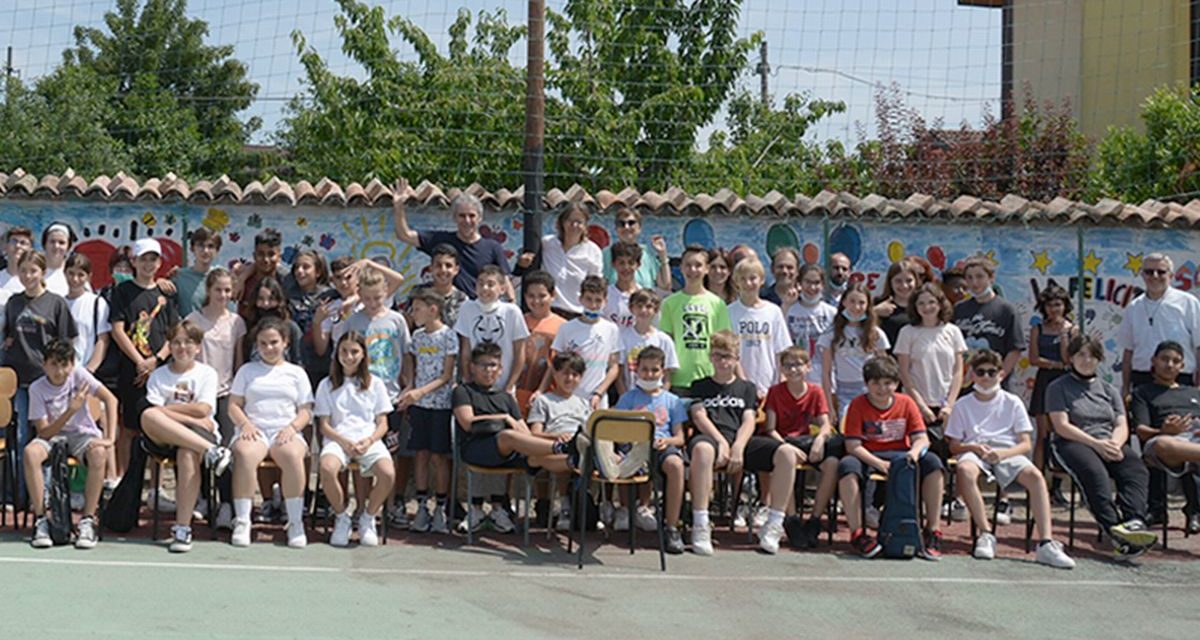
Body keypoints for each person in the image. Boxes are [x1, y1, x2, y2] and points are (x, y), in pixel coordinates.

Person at [945, 349, 1076, 568]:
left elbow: (1025, 443)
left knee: (1035, 476)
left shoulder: (1013, 402)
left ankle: (1045, 543)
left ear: (1001, 374)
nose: (986, 377)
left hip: (1007, 451)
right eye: (980, 372)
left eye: (991, 372)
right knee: (965, 470)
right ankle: (986, 534)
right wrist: (974, 447)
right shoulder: (962, 405)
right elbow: (954, 445)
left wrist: (1003, 454)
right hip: (975, 451)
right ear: (973, 375)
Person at [687, 332, 804, 554]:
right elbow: (699, 417)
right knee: (702, 449)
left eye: (728, 356)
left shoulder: (747, 387)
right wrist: (721, 442)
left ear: (736, 358)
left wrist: (738, 447)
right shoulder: (699, 385)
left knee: (787, 453)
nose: (723, 362)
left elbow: (749, 419)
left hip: (741, 440)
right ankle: (700, 525)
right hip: (711, 439)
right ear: (711, 357)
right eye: (718, 356)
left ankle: (774, 524)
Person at [1047, 335, 1158, 559]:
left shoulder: (1109, 389)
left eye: (1092, 355)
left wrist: (1115, 444)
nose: (1087, 360)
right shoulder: (1058, 387)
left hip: (1108, 441)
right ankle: (1114, 530)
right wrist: (1096, 445)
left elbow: (1121, 423)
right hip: (1073, 443)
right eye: (1081, 355)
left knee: (1135, 467)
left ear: (1099, 359)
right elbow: (1061, 425)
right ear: (1071, 358)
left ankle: (1134, 522)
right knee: (1093, 472)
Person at [452, 343, 578, 532]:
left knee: (536, 456)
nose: (488, 370)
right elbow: (467, 423)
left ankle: (577, 458)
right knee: (507, 436)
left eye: (493, 365)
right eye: (483, 365)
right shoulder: (463, 392)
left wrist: (555, 438)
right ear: (472, 367)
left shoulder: (506, 398)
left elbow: (526, 435)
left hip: (508, 452)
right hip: (475, 449)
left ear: (500, 369)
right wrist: (504, 418)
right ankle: (566, 449)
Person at [1116, 252, 1200, 526]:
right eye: (1149, 272)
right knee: (1149, 448)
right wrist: (1126, 387)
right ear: (1142, 275)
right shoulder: (1134, 307)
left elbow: (1198, 346)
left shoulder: (1188, 303)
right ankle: (1156, 508)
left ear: (1171, 275)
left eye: (1160, 272)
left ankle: (1194, 510)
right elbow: (1128, 351)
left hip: (1182, 380)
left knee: (1187, 438)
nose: (1154, 277)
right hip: (1144, 380)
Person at [838, 355, 945, 559]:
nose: (882, 388)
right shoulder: (858, 404)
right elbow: (852, 445)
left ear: (896, 384)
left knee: (933, 463)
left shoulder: (907, 403)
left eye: (888, 383)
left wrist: (912, 454)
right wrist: (879, 463)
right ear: (867, 384)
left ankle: (933, 530)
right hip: (869, 455)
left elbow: (922, 439)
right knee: (846, 467)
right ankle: (858, 533)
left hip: (901, 455)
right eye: (876, 383)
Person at [139, 321, 230, 553]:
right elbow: (155, 414)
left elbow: (204, 410)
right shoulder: (158, 376)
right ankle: (212, 452)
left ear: (198, 347)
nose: (182, 347)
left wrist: (168, 413)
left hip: (196, 435)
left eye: (188, 342)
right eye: (177, 342)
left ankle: (182, 529)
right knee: (148, 416)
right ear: (169, 346)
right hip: (164, 435)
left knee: (187, 453)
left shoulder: (207, 373)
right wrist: (189, 418)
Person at [331, 267, 413, 527]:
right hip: (362, 395)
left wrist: (408, 384)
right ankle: (362, 505)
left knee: (390, 454)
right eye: (367, 298)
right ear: (360, 295)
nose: (373, 303)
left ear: (386, 293)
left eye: (377, 297)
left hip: (391, 395)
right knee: (362, 453)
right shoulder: (354, 321)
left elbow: (406, 355)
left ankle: (387, 507)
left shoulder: (396, 320)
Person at [229, 317, 315, 548]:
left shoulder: (297, 373)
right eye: (263, 343)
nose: (269, 348)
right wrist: (245, 424)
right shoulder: (247, 371)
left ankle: (295, 523)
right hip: (253, 429)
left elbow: (306, 410)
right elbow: (234, 405)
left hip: (285, 430)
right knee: (245, 455)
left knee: (292, 455)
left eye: (274, 342)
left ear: (285, 342)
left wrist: (292, 427)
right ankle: (243, 520)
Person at [24, 339, 117, 549]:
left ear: (72, 364)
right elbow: (44, 431)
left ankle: (87, 521)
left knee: (99, 454)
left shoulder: (80, 376)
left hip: (81, 435)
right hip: (52, 436)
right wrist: (71, 410)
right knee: (30, 453)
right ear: (44, 364)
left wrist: (110, 438)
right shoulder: (36, 388)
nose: (60, 371)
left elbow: (111, 400)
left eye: (64, 364)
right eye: (54, 364)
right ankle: (41, 520)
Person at [6, 250, 79, 504]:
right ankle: (22, 496)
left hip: (48, 383)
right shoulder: (13, 303)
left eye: (33, 270)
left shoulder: (55, 303)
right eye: (23, 270)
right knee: (21, 437)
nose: (28, 275)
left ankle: (46, 494)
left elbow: (66, 343)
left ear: (43, 272)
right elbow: (8, 337)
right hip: (21, 383)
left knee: (46, 437)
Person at [315, 332, 396, 547]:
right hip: (338, 441)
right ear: (337, 353)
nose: (349, 356)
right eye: (344, 351)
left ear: (363, 355)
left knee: (387, 473)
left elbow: (383, 424)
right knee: (327, 468)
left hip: (368, 441)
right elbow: (324, 425)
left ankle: (367, 518)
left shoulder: (375, 383)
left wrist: (368, 441)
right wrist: (343, 442)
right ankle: (342, 517)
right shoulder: (326, 384)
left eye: (354, 352)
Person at [763, 346, 843, 548]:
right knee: (785, 459)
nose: (793, 370)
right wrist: (785, 446)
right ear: (781, 369)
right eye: (788, 365)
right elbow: (771, 428)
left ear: (807, 367)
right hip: (786, 443)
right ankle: (791, 520)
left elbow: (825, 424)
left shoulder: (815, 391)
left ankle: (815, 519)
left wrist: (819, 440)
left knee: (833, 463)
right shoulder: (775, 392)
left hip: (809, 442)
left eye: (798, 365)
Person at [185, 267, 246, 529]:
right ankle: (200, 499)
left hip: (225, 393)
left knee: (227, 451)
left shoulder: (236, 322)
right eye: (218, 289)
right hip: (198, 395)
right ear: (208, 290)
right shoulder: (193, 320)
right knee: (195, 447)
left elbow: (239, 359)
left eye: (227, 290)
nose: (223, 295)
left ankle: (226, 505)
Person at [615, 346, 689, 554]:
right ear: (636, 371)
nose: (649, 374)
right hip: (634, 447)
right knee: (624, 458)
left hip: (661, 446)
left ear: (662, 371)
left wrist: (667, 441)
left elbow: (680, 437)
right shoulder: (628, 399)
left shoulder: (672, 401)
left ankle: (672, 527)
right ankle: (627, 509)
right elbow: (618, 432)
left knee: (676, 464)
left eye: (654, 370)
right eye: (645, 370)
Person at [393, 181, 514, 300]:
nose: (467, 220)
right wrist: (398, 207)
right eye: (462, 216)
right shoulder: (441, 241)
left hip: (479, 311)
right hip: (446, 309)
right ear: (454, 218)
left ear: (480, 218)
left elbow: (505, 280)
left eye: (471, 216)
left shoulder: (493, 247)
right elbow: (404, 235)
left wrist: (512, 305)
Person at [400, 288, 458, 534]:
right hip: (419, 406)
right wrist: (411, 388)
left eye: (417, 309)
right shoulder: (417, 336)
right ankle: (422, 505)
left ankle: (441, 508)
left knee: (438, 456)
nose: (414, 314)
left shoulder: (449, 336)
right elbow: (412, 364)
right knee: (421, 455)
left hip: (441, 406)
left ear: (433, 309)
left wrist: (421, 392)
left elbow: (446, 376)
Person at [1131, 341, 1200, 535]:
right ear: (1153, 361)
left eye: (1176, 361)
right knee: (1164, 444)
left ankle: (1195, 512)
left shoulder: (1194, 392)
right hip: (1164, 442)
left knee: (1191, 452)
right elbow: (1142, 430)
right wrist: (1164, 430)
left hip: (1195, 439)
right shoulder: (1142, 393)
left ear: (1183, 366)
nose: (1170, 365)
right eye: (1164, 359)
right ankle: (1192, 511)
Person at [894, 283, 966, 456]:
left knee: (945, 456)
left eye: (931, 302)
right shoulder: (907, 332)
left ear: (940, 304)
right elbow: (903, 372)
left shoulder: (953, 331)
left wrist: (949, 405)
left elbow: (958, 371)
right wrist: (921, 406)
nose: (927, 307)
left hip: (945, 408)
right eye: (921, 303)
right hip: (917, 406)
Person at [528, 353, 590, 531]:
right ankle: (564, 506)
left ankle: (585, 505)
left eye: (575, 375)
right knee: (566, 453)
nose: (570, 378)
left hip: (580, 442)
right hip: (554, 444)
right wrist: (556, 436)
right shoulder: (544, 401)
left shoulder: (584, 403)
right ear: (554, 374)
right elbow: (535, 433)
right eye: (565, 373)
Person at [660, 245, 731, 392]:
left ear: (707, 269)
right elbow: (666, 342)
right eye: (688, 265)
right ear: (681, 268)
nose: (693, 270)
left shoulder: (717, 304)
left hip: (710, 378)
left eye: (698, 265)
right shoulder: (669, 303)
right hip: (678, 380)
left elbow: (724, 343)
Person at [542, 276, 620, 410]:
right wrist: (541, 390)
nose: (593, 305)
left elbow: (614, 367)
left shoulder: (611, 329)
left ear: (605, 301)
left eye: (598, 300)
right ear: (580, 299)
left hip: (596, 400)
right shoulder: (567, 328)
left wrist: (599, 393)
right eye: (589, 299)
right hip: (568, 398)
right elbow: (555, 364)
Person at [1028, 284, 1075, 500]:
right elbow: (1034, 359)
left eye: (1058, 304)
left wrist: (1064, 337)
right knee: (1042, 435)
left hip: (1065, 384)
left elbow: (1069, 360)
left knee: (1061, 434)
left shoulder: (1072, 329)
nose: (1054, 309)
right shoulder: (1037, 328)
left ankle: (1057, 485)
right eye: (1049, 305)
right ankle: (1037, 483)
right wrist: (1055, 365)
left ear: (1065, 306)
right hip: (1044, 381)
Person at [516, 203, 602, 318]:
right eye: (570, 220)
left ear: (585, 225)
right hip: (549, 312)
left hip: (577, 314)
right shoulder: (548, 244)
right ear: (562, 222)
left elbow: (596, 286)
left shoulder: (593, 251)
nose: (574, 225)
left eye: (579, 222)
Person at [953, 256, 1026, 390]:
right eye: (969, 278)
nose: (974, 282)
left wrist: (999, 377)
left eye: (980, 276)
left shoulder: (1007, 310)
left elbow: (1015, 350)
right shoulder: (959, 309)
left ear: (991, 278)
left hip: (996, 384)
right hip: (966, 384)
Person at [819, 283, 889, 419]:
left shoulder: (876, 334)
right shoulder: (831, 334)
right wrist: (829, 406)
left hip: (871, 390)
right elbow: (826, 372)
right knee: (848, 429)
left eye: (861, 303)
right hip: (844, 392)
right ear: (844, 302)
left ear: (868, 305)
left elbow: (885, 370)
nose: (856, 307)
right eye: (852, 301)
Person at [727, 258, 791, 399]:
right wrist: (744, 382)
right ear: (736, 281)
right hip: (739, 384)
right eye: (742, 279)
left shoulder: (773, 311)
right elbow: (730, 352)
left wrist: (781, 380)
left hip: (769, 383)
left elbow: (781, 350)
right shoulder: (729, 312)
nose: (748, 283)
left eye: (752, 278)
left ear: (761, 280)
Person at [515, 270, 565, 413]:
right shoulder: (519, 321)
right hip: (518, 390)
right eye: (531, 296)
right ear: (524, 297)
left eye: (542, 296)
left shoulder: (562, 326)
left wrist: (541, 390)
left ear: (552, 295)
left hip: (548, 394)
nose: (536, 301)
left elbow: (558, 364)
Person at [283, 248, 332, 385]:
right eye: (297, 267)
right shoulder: (289, 291)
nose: (300, 271)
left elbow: (353, 294)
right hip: (295, 362)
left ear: (318, 272)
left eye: (306, 267)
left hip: (322, 365)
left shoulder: (329, 295)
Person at [617, 289, 679, 394]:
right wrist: (625, 398)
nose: (644, 310)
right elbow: (619, 374)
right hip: (631, 396)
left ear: (656, 310)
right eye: (639, 306)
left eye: (649, 307)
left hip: (656, 397)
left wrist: (661, 398)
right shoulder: (622, 337)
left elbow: (667, 375)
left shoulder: (664, 340)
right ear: (631, 308)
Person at [784, 263, 837, 386]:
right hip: (796, 375)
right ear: (799, 284)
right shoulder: (789, 310)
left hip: (825, 377)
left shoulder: (831, 313)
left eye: (817, 282)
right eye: (808, 282)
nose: (812, 287)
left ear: (823, 285)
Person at [602, 207, 671, 291]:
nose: (626, 227)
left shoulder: (647, 254)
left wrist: (662, 254)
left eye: (631, 223)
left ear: (639, 228)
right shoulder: (606, 254)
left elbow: (665, 286)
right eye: (621, 223)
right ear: (616, 229)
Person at [401, 243, 468, 330]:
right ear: (431, 268)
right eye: (438, 265)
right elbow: (407, 323)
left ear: (456, 270)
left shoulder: (462, 299)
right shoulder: (418, 292)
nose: (443, 270)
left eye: (448, 266)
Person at [63, 253, 110, 373]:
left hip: (86, 370)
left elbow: (103, 339)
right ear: (65, 273)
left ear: (89, 277)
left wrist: (91, 368)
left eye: (81, 275)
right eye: (71, 273)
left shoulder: (97, 302)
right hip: (62, 372)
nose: (75, 279)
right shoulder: (59, 303)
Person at [241, 277, 304, 365]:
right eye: (261, 299)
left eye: (271, 299)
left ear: (279, 300)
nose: (266, 304)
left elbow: (298, 360)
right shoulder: (248, 326)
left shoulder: (291, 328)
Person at [235, 228, 288, 322]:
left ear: (279, 256)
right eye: (261, 254)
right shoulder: (243, 281)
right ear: (254, 256)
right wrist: (241, 278)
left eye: (271, 254)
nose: (266, 260)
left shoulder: (286, 281)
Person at [874, 259, 925, 349]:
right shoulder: (879, 303)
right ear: (890, 282)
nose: (904, 285)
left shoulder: (923, 305)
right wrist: (874, 312)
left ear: (916, 282)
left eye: (909, 280)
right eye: (898, 281)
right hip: (886, 360)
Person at [172, 227, 222, 317]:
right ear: (192, 248)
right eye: (201, 245)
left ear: (217, 250)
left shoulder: (222, 277)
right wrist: (161, 281)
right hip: (188, 329)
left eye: (210, 246)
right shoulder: (179, 276)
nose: (205, 251)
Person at [603, 241, 641, 328]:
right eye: (621, 263)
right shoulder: (605, 295)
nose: (626, 268)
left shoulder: (643, 296)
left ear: (638, 265)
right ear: (613, 264)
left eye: (630, 263)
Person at [41, 222, 77, 297]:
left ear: (68, 247)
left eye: (61, 243)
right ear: (45, 244)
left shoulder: (75, 274)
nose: (56, 246)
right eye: (52, 241)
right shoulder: (34, 271)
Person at [0, 226, 34, 306]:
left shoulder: (34, 281)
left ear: (30, 250)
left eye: (23, 243)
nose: (18, 246)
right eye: (14, 241)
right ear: (6, 246)